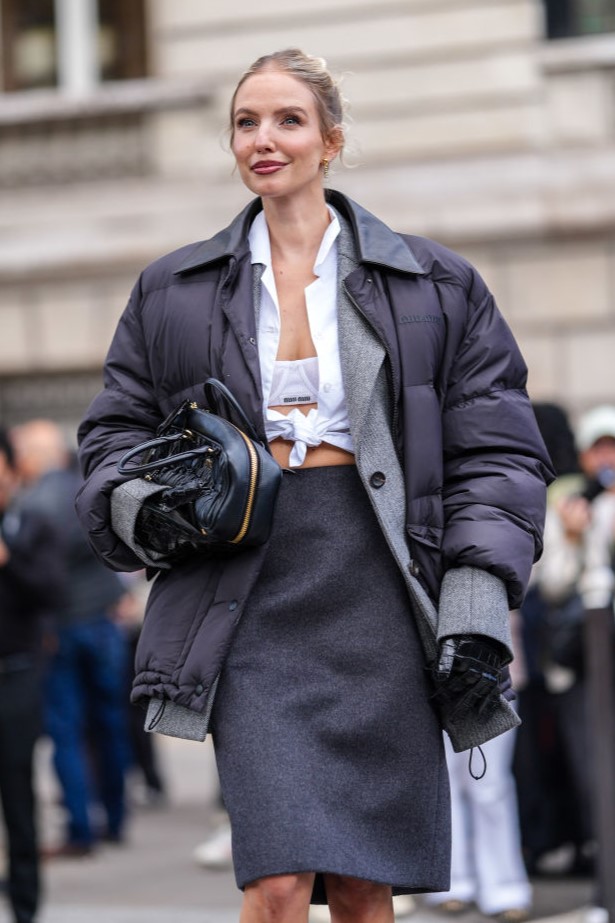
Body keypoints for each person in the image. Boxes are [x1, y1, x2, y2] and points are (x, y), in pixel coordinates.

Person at [75, 49, 552, 923]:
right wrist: (151, 507)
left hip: (379, 582)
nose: (263, 139)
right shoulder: (173, 289)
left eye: (287, 120)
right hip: (244, 590)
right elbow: (110, 434)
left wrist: (476, 606)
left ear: (330, 141)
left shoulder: (433, 285)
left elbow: (498, 455)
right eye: (245, 121)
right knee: (279, 875)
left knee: (368, 882)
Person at [11, 420, 133, 856]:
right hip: (102, 622)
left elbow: (41, 579)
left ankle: (81, 828)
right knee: (110, 723)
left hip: (61, 629)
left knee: (67, 730)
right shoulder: (89, 491)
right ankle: (117, 820)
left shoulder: (32, 505)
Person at [0, 427, 66, 923]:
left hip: (17, 673)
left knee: (17, 792)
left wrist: (9, 561)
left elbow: (52, 590)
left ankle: (26, 907)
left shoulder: (31, 522)